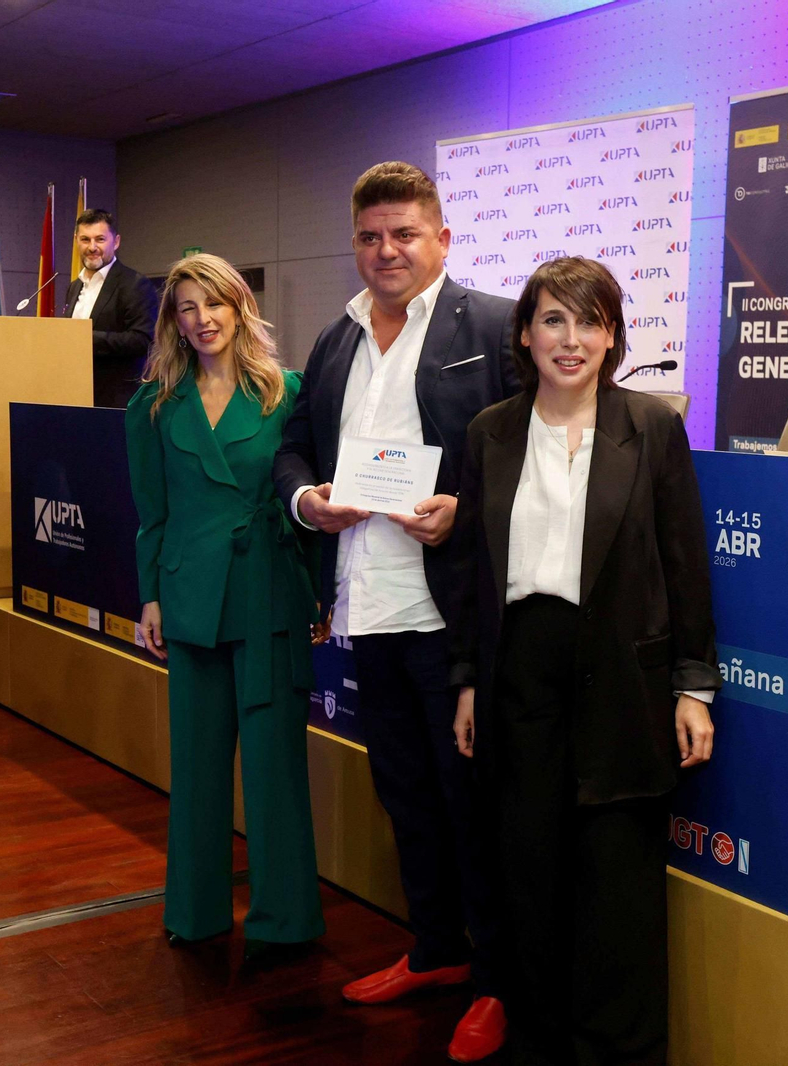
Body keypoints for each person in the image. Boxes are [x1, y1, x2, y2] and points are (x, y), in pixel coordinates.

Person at [272, 161, 518, 1063]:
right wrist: (311, 504)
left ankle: (497, 980)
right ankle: (437, 952)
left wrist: (469, 504)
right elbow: (295, 449)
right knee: (406, 797)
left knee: (469, 806)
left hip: (454, 615)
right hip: (366, 605)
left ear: (442, 237)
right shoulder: (335, 339)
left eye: (406, 234)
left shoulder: (491, 324)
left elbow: (539, 444)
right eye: (372, 236)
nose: (388, 251)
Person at [448, 256, 719, 1066]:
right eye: (554, 321)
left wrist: (693, 686)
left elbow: (685, 564)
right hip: (519, 670)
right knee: (529, 873)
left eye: (590, 321)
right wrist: (467, 679)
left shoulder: (652, 427)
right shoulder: (490, 431)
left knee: (617, 884)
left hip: (622, 674)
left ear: (613, 334)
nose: (572, 340)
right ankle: (538, 1041)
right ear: (525, 333)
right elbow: (471, 573)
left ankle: (622, 1053)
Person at [126, 252, 323, 962]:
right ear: (172, 321)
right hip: (187, 600)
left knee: (275, 772)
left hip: (268, 595)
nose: (201, 320)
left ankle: (285, 920)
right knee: (198, 769)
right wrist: (148, 594)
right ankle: (196, 911)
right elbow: (151, 513)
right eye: (186, 307)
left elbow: (309, 501)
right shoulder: (151, 407)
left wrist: (321, 591)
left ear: (240, 308)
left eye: (214, 304)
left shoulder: (287, 393)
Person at [67, 208, 156, 408]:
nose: (92, 247)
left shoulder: (134, 284)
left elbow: (143, 340)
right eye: (85, 239)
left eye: (100, 239)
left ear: (115, 242)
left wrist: (84, 338)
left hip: (116, 401)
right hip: (74, 395)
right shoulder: (75, 286)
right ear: (76, 241)